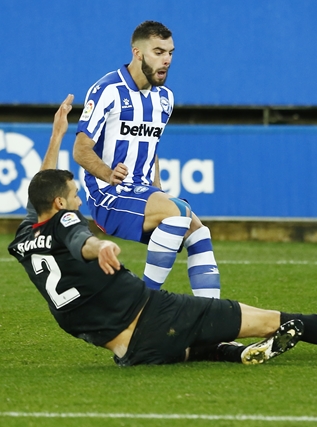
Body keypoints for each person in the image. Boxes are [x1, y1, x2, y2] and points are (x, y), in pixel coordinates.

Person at [8, 95, 317, 367]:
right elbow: (79, 237)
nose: (81, 201)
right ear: (62, 205)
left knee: (205, 346)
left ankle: (234, 352)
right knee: (283, 319)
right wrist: (97, 247)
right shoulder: (68, 222)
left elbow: (43, 190)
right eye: (75, 196)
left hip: (131, 352)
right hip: (157, 316)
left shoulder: (26, 234)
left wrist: (58, 134)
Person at [73, 20, 220, 299]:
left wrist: (159, 194)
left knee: (199, 233)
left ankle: (211, 316)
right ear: (137, 53)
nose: (166, 60)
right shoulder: (108, 90)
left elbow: (151, 151)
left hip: (141, 193)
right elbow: (80, 149)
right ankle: (145, 306)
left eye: (171, 53)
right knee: (177, 212)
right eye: (158, 52)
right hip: (108, 195)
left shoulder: (165, 99)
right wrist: (107, 173)